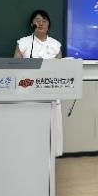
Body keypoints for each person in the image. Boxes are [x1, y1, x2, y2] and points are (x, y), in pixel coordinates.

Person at [14, 9, 64, 156]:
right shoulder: (23, 43)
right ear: (32, 23)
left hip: (51, 93)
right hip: (29, 93)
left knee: (50, 129)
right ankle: (28, 154)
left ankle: (50, 157)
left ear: (48, 24)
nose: (41, 23)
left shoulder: (55, 45)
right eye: (37, 20)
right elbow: (15, 68)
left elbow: (61, 70)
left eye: (44, 20)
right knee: (29, 129)